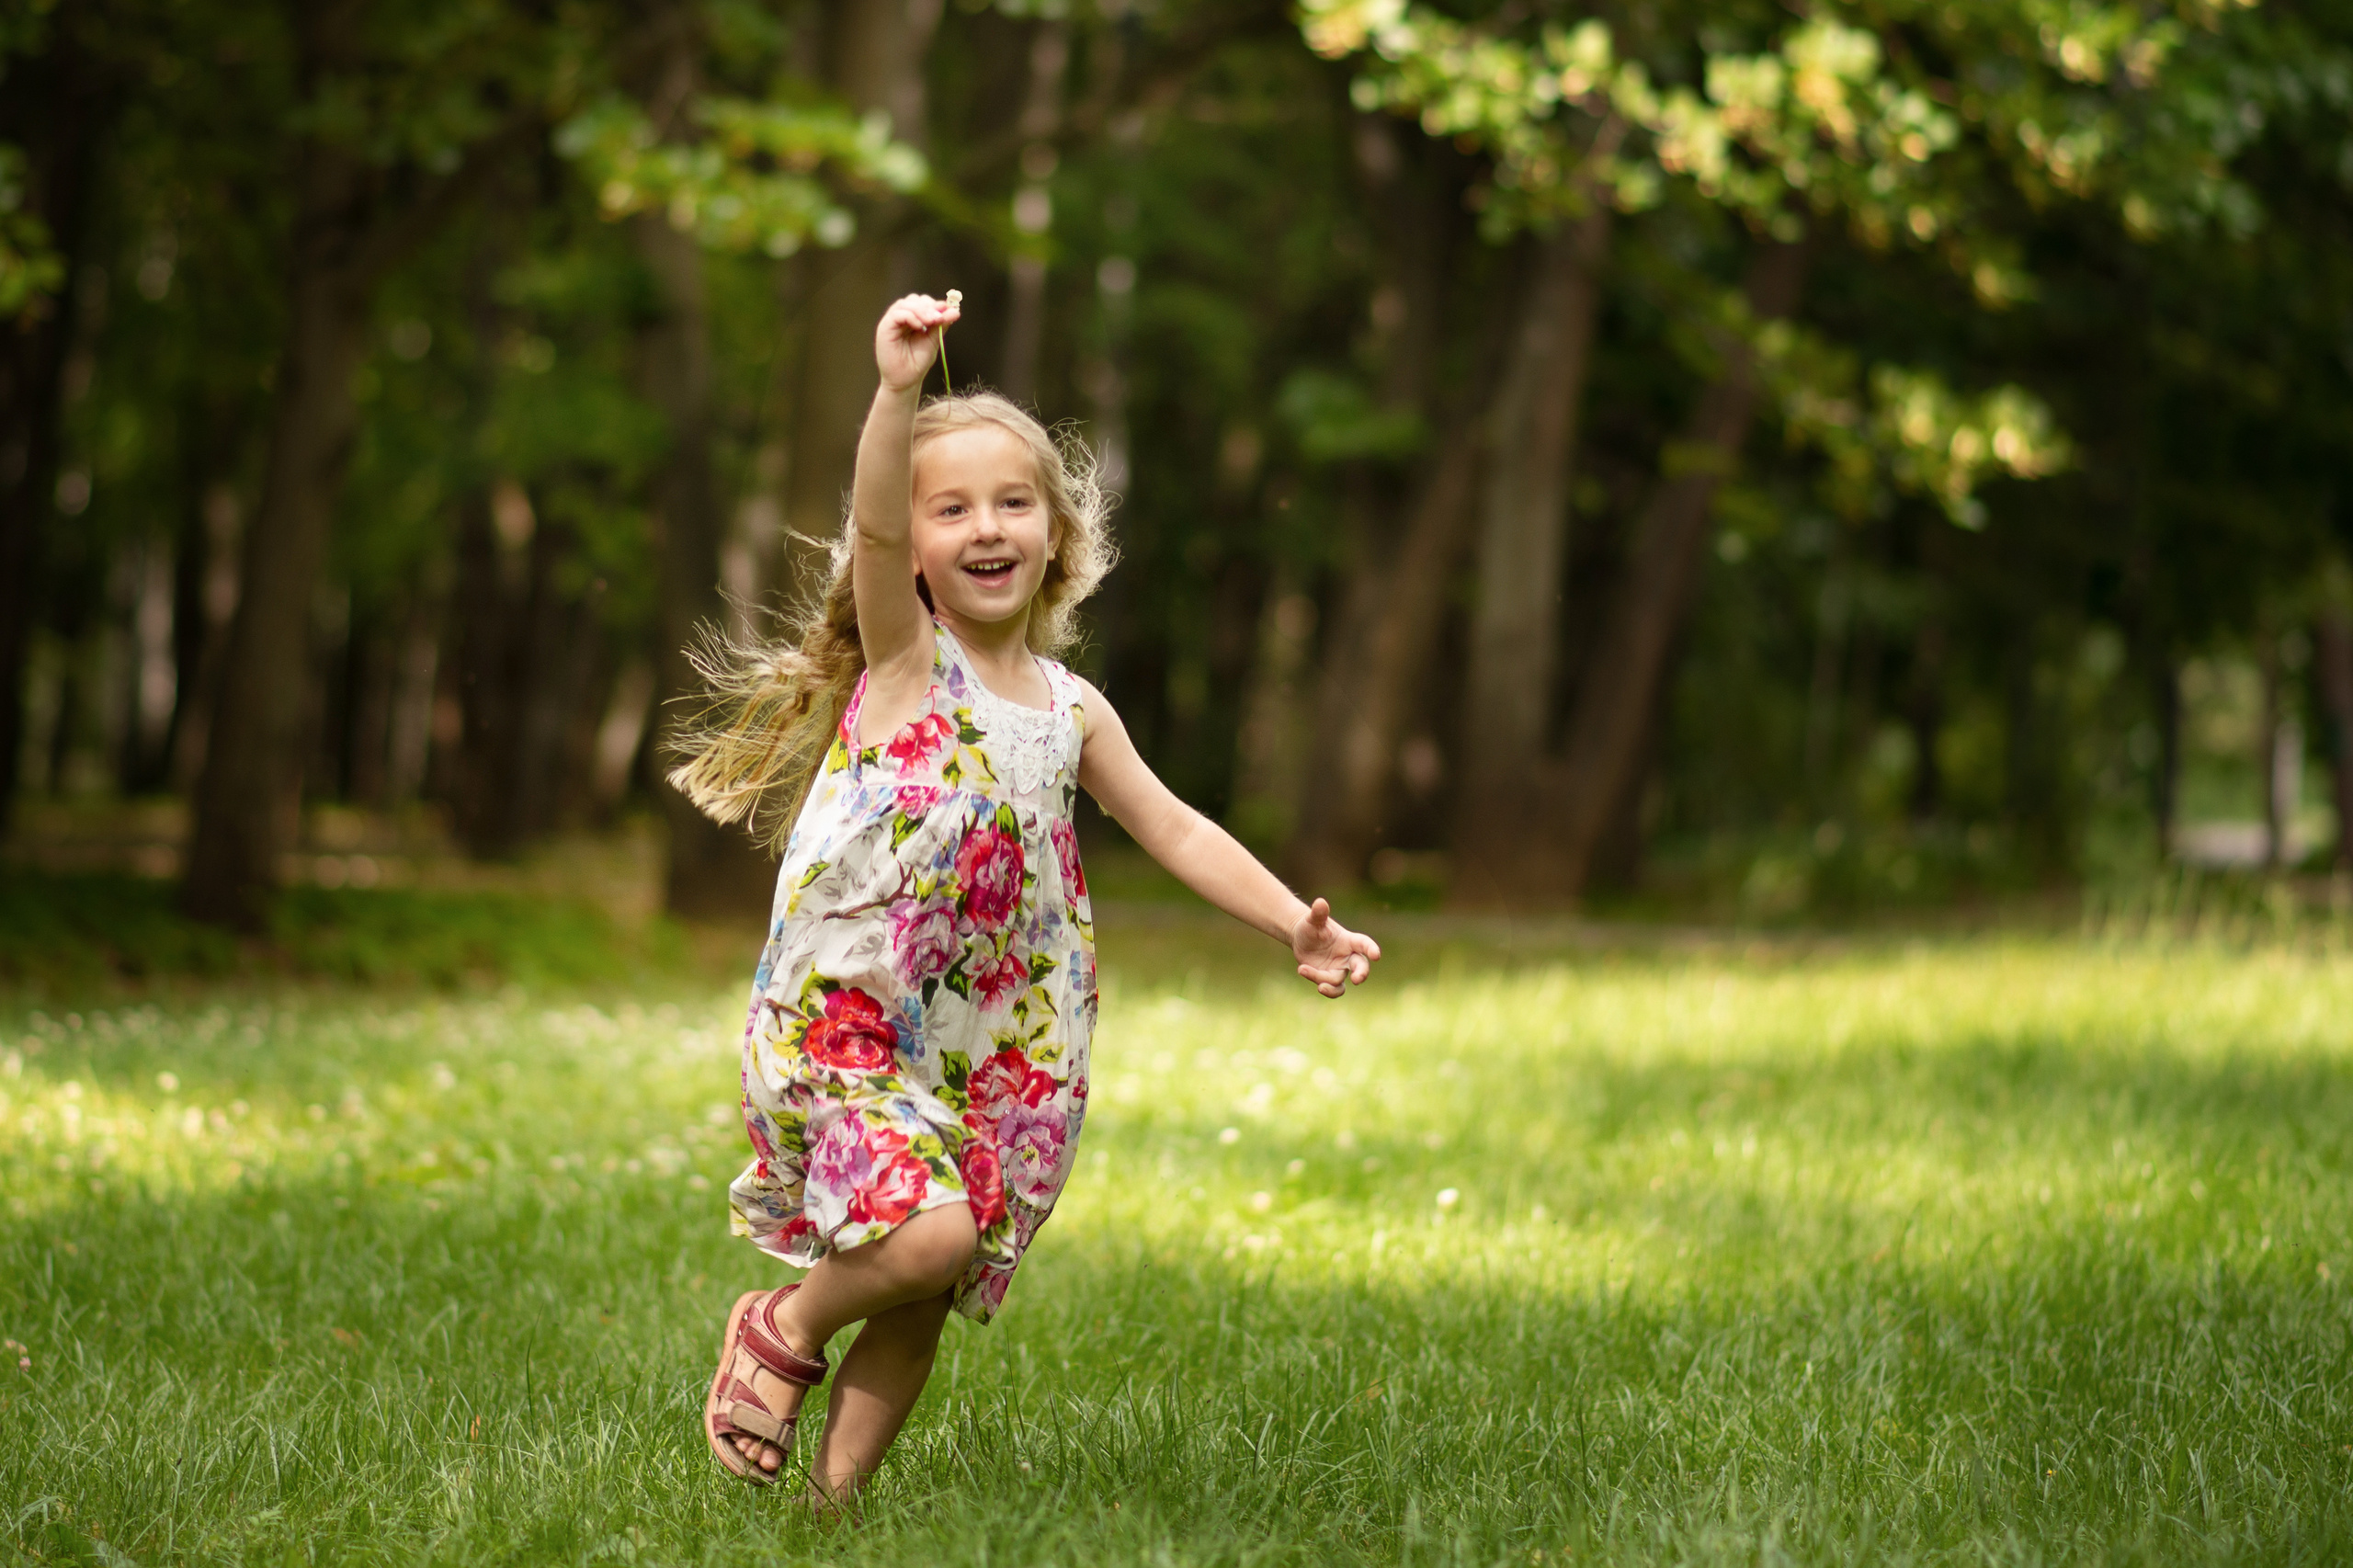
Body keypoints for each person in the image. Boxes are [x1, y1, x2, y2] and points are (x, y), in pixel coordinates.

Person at [675, 291, 1381, 1505]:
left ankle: (826, 1508)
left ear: (1057, 534)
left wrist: (1291, 923)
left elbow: (1172, 824)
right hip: (852, 1021)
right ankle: (781, 1327)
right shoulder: (909, 657)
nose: (986, 527)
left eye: (1015, 504)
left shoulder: (1069, 705)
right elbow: (872, 526)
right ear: (911, 540)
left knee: (925, 1282)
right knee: (928, 1233)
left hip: (994, 1046)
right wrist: (897, 393)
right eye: (950, 509)